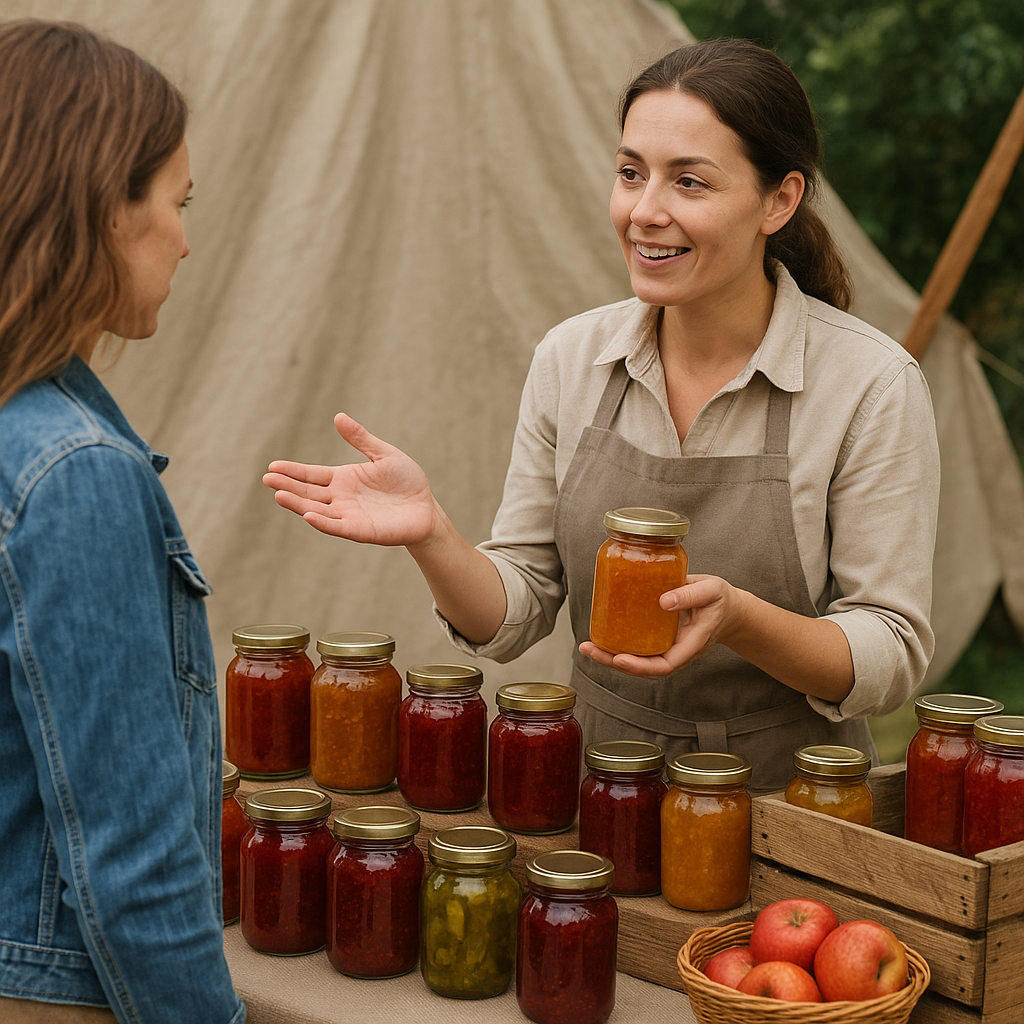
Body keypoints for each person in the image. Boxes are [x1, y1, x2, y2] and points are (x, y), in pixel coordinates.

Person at [264, 39, 939, 792]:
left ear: (778, 201)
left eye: (689, 182)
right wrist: (431, 534)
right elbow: (514, 612)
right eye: (630, 173)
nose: (645, 212)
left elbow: (890, 653)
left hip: (797, 800)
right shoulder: (571, 358)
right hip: (599, 789)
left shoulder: (871, 384)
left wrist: (741, 620)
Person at [0, 21, 245, 1024]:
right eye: (176, 203)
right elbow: (134, 864)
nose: (185, 239)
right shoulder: (72, 475)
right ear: (107, 207)